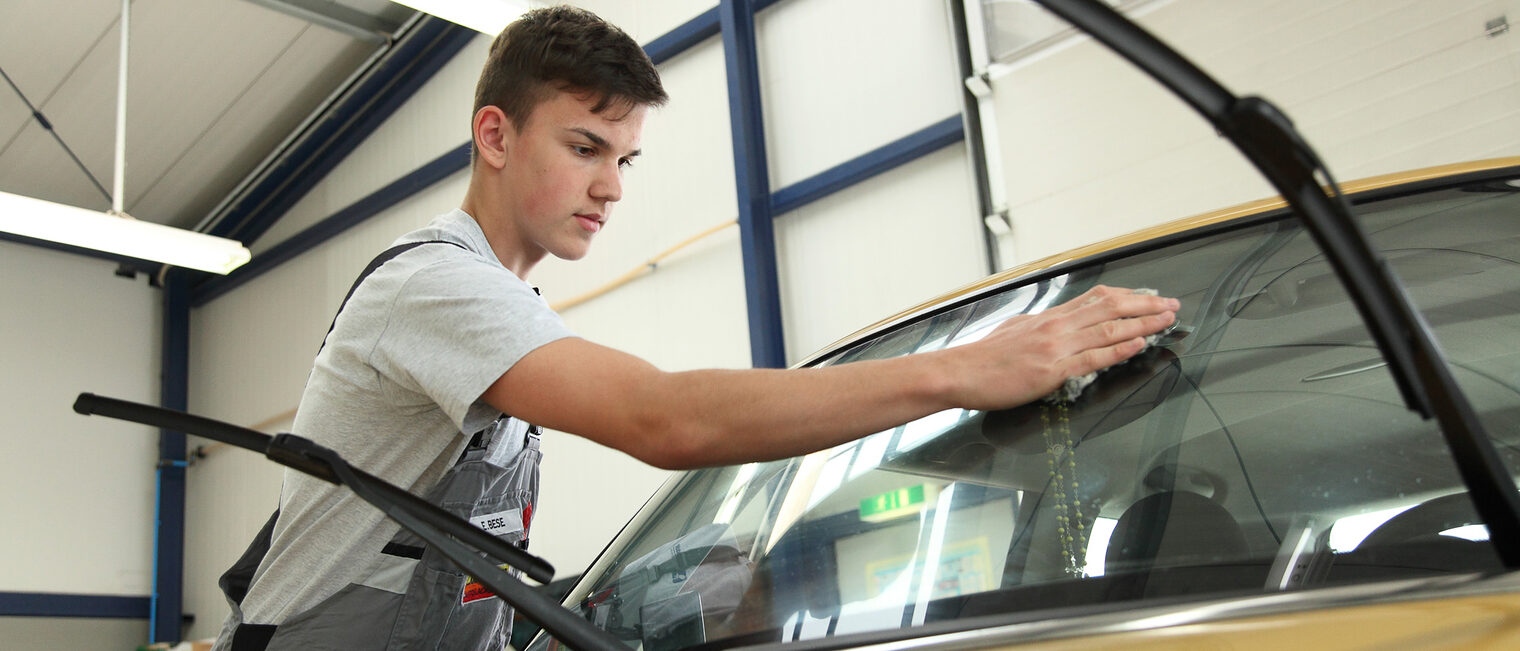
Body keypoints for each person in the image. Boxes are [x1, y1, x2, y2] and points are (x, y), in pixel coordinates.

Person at [211, 5, 1178, 651]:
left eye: (626, 159)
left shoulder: (505, 309)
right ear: (496, 136)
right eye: (585, 147)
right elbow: (664, 418)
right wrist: (967, 369)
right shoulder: (433, 287)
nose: (609, 187)